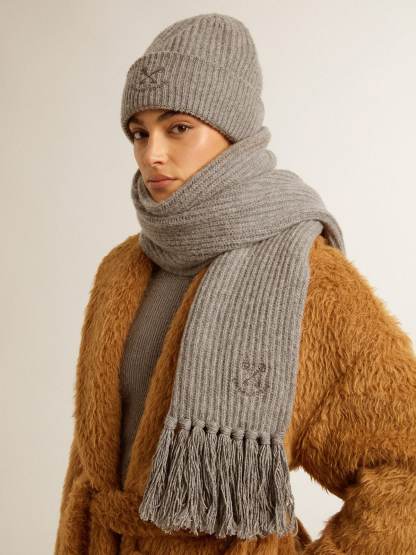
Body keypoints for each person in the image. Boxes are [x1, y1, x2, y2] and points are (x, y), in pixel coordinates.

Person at [54, 13, 416, 555]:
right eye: (139, 132)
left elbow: (407, 471)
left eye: (178, 127)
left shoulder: (309, 281)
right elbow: (90, 464)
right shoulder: (121, 269)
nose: (152, 154)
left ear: (234, 131)